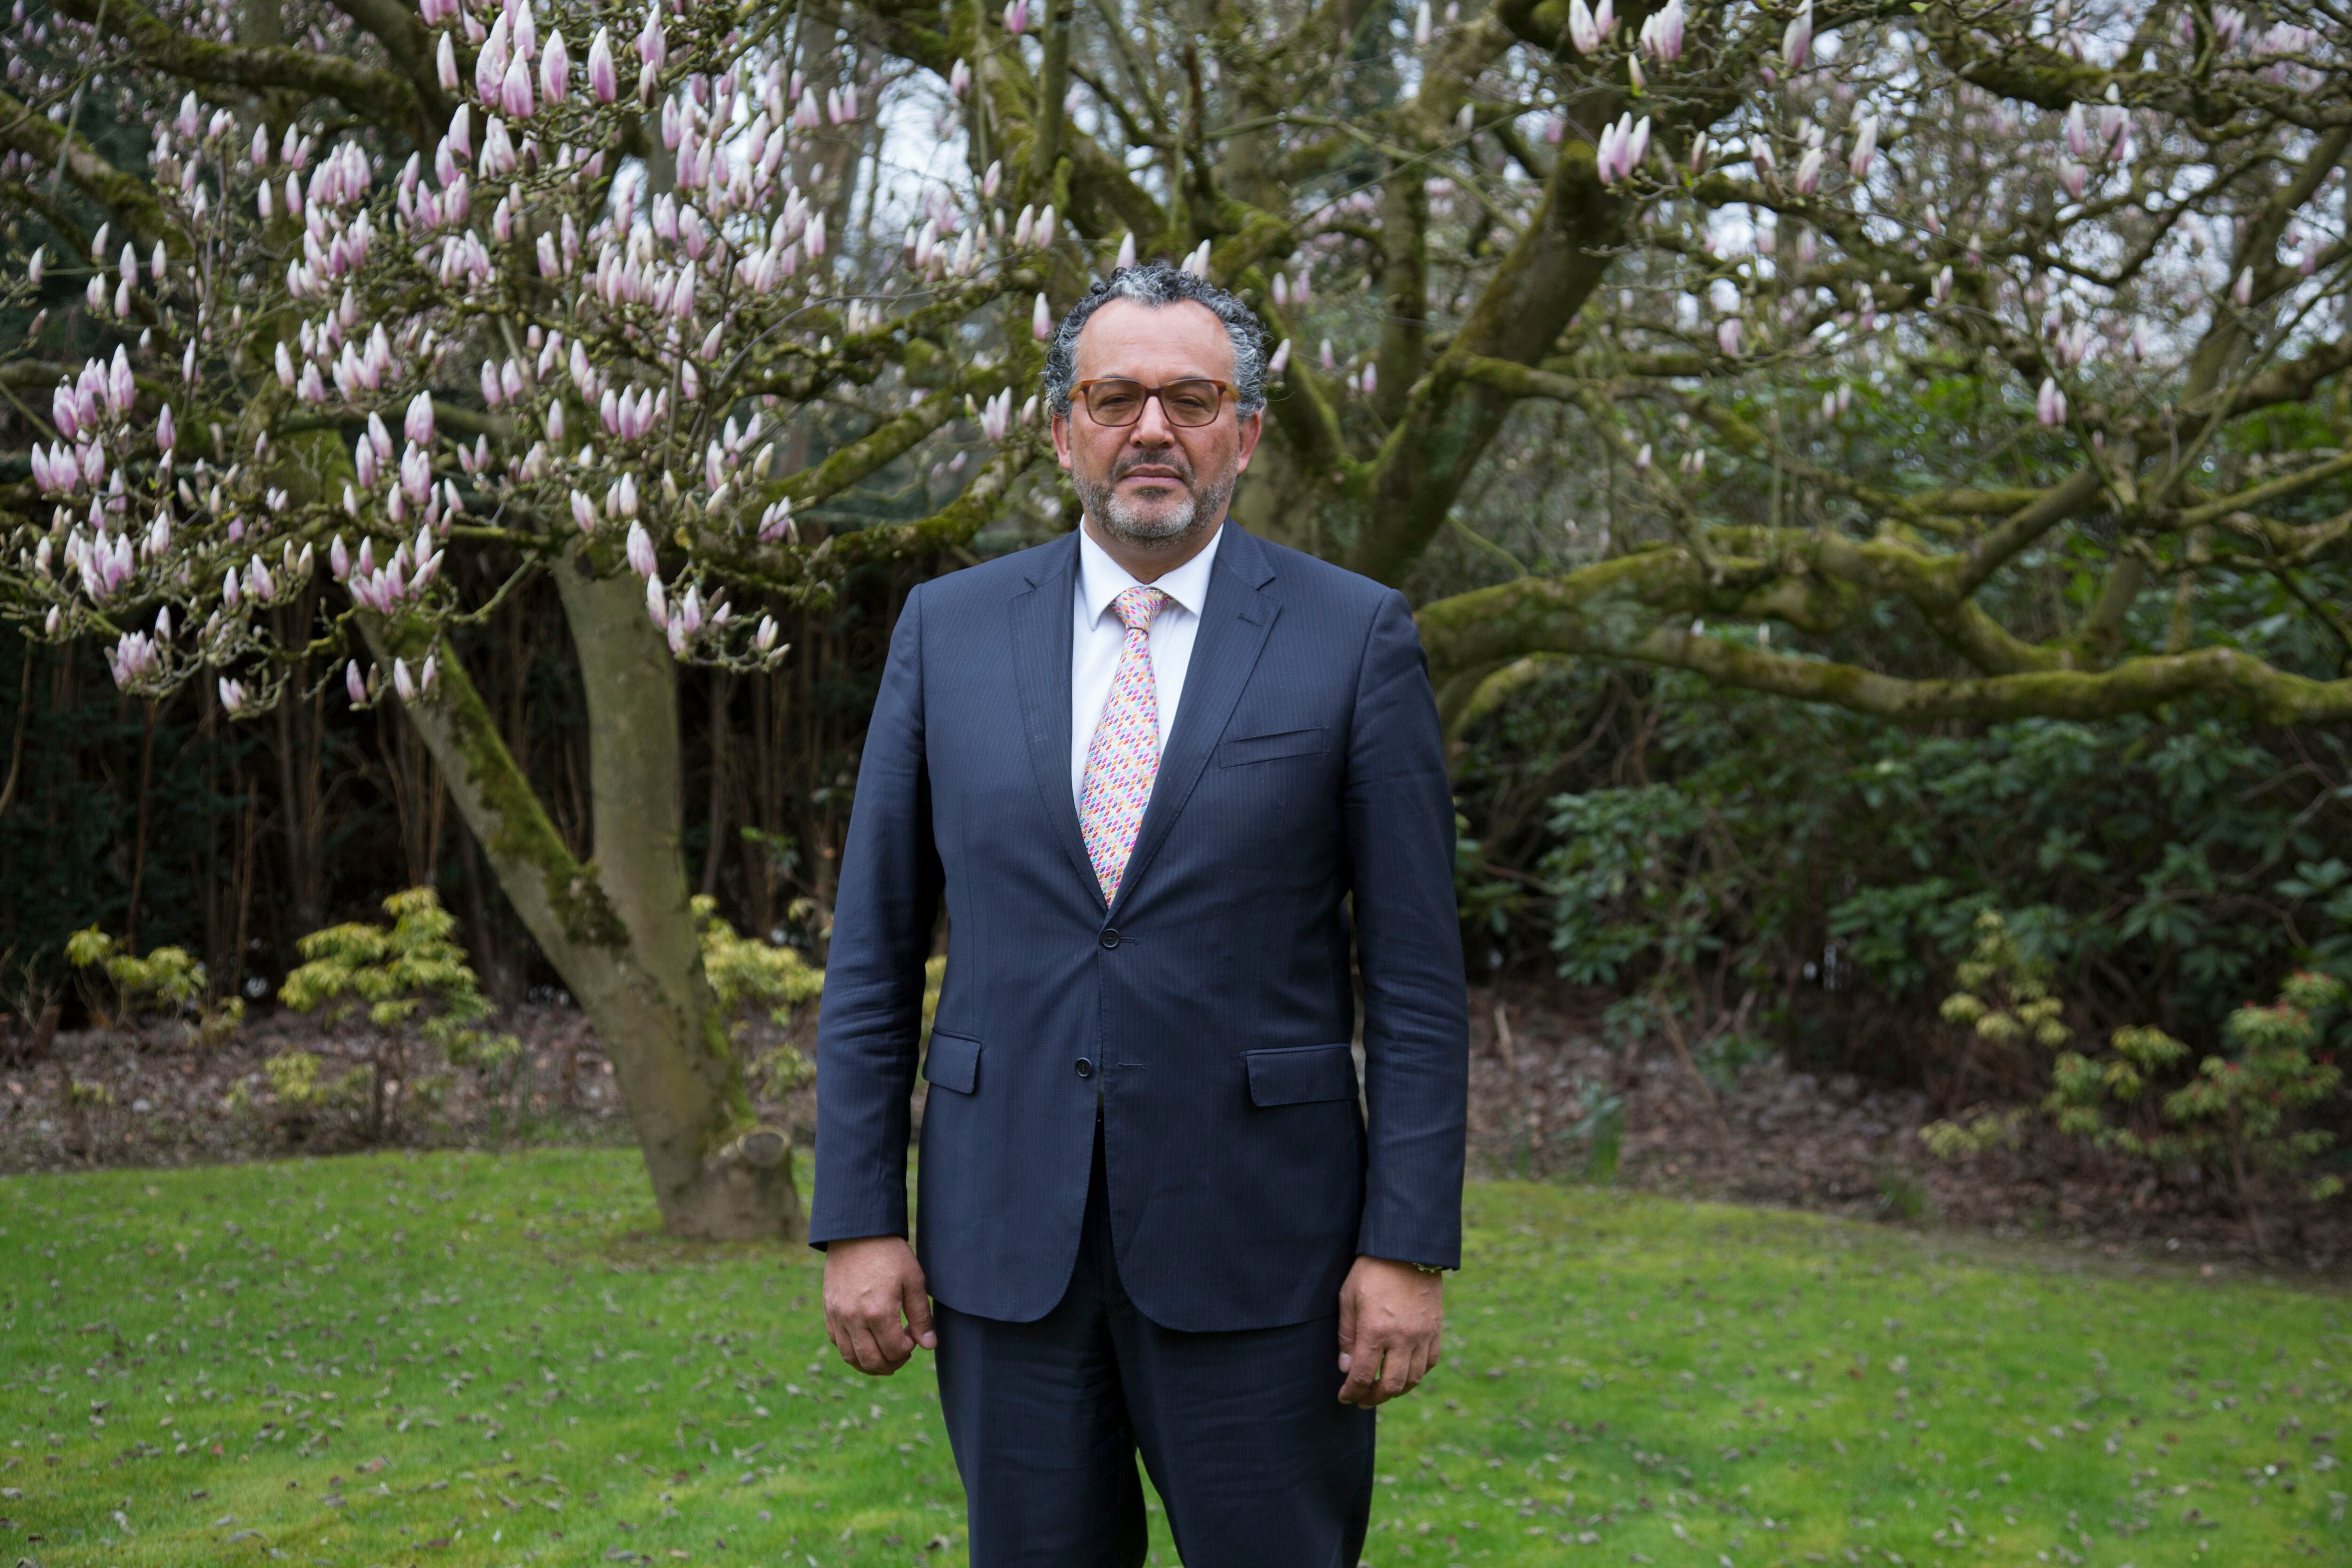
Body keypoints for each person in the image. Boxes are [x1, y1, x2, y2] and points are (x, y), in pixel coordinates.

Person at [810, 259, 1468, 1568]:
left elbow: (1413, 982)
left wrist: (1407, 1247)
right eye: (1116, 398)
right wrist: (860, 1216)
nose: (1153, 430)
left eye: (1192, 398)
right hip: (1003, 1253)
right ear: (1062, 430)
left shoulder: (1354, 638)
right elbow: (875, 955)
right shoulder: (947, 632)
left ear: (1249, 433)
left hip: (1267, 1257)